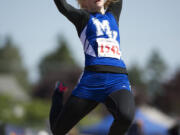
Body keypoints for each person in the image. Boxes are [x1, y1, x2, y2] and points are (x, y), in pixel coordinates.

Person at [49, 0, 135, 135]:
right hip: (91, 83)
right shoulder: (83, 17)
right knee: (57, 131)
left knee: (126, 117)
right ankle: (58, 92)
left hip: (117, 80)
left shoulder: (113, 14)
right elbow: (63, 7)